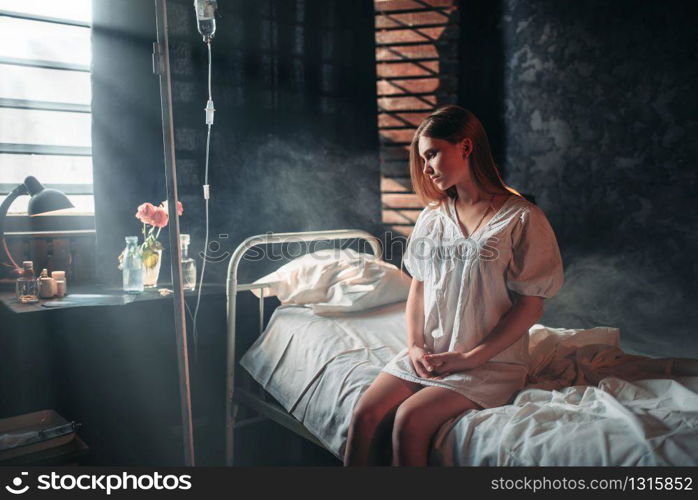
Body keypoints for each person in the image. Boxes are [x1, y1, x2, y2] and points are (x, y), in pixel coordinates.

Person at [342, 105, 565, 466]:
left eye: (432, 154)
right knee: (364, 415)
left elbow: (530, 305)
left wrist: (469, 357)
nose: (427, 168)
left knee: (409, 422)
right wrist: (415, 346)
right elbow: (419, 286)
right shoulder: (433, 218)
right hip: (430, 352)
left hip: (489, 363)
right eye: (423, 158)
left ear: (465, 147)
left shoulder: (522, 218)